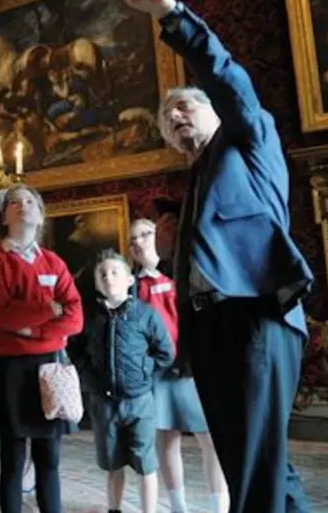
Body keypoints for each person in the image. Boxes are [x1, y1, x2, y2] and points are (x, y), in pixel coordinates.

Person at [121, 0, 314, 511]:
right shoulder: (194, 187)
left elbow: (228, 81)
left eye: (185, 106)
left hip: (253, 318)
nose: (176, 116)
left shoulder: (248, 140)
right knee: (254, 462)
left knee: (253, 470)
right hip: (208, 331)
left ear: (215, 112)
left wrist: (168, 13)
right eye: (168, 118)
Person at [0, 184, 83, 513]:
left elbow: (75, 318)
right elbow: (2, 315)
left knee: (49, 461)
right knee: (12, 461)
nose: (22, 206)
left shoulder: (54, 262)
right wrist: (50, 312)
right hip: (10, 372)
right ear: (3, 216)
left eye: (29, 202)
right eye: (13, 203)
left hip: (48, 370)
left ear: (40, 215)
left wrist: (29, 328)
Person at [128, 219, 228, 513]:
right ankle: (178, 507)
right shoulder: (131, 286)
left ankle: (219, 507)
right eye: (133, 239)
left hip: (191, 368)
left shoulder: (183, 274)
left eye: (145, 234)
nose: (139, 242)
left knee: (210, 439)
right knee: (166, 440)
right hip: (156, 375)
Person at [69, 249, 173, 513]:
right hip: (103, 402)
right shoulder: (89, 317)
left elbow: (165, 352)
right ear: (96, 281)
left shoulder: (145, 314)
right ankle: (114, 509)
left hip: (139, 401)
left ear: (129, 279)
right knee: (112, 463)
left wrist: (142, 369)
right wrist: (88, 376)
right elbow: (75, 351)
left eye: (115, 272)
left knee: (145, 463)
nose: (108, 277)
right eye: (102, 273)